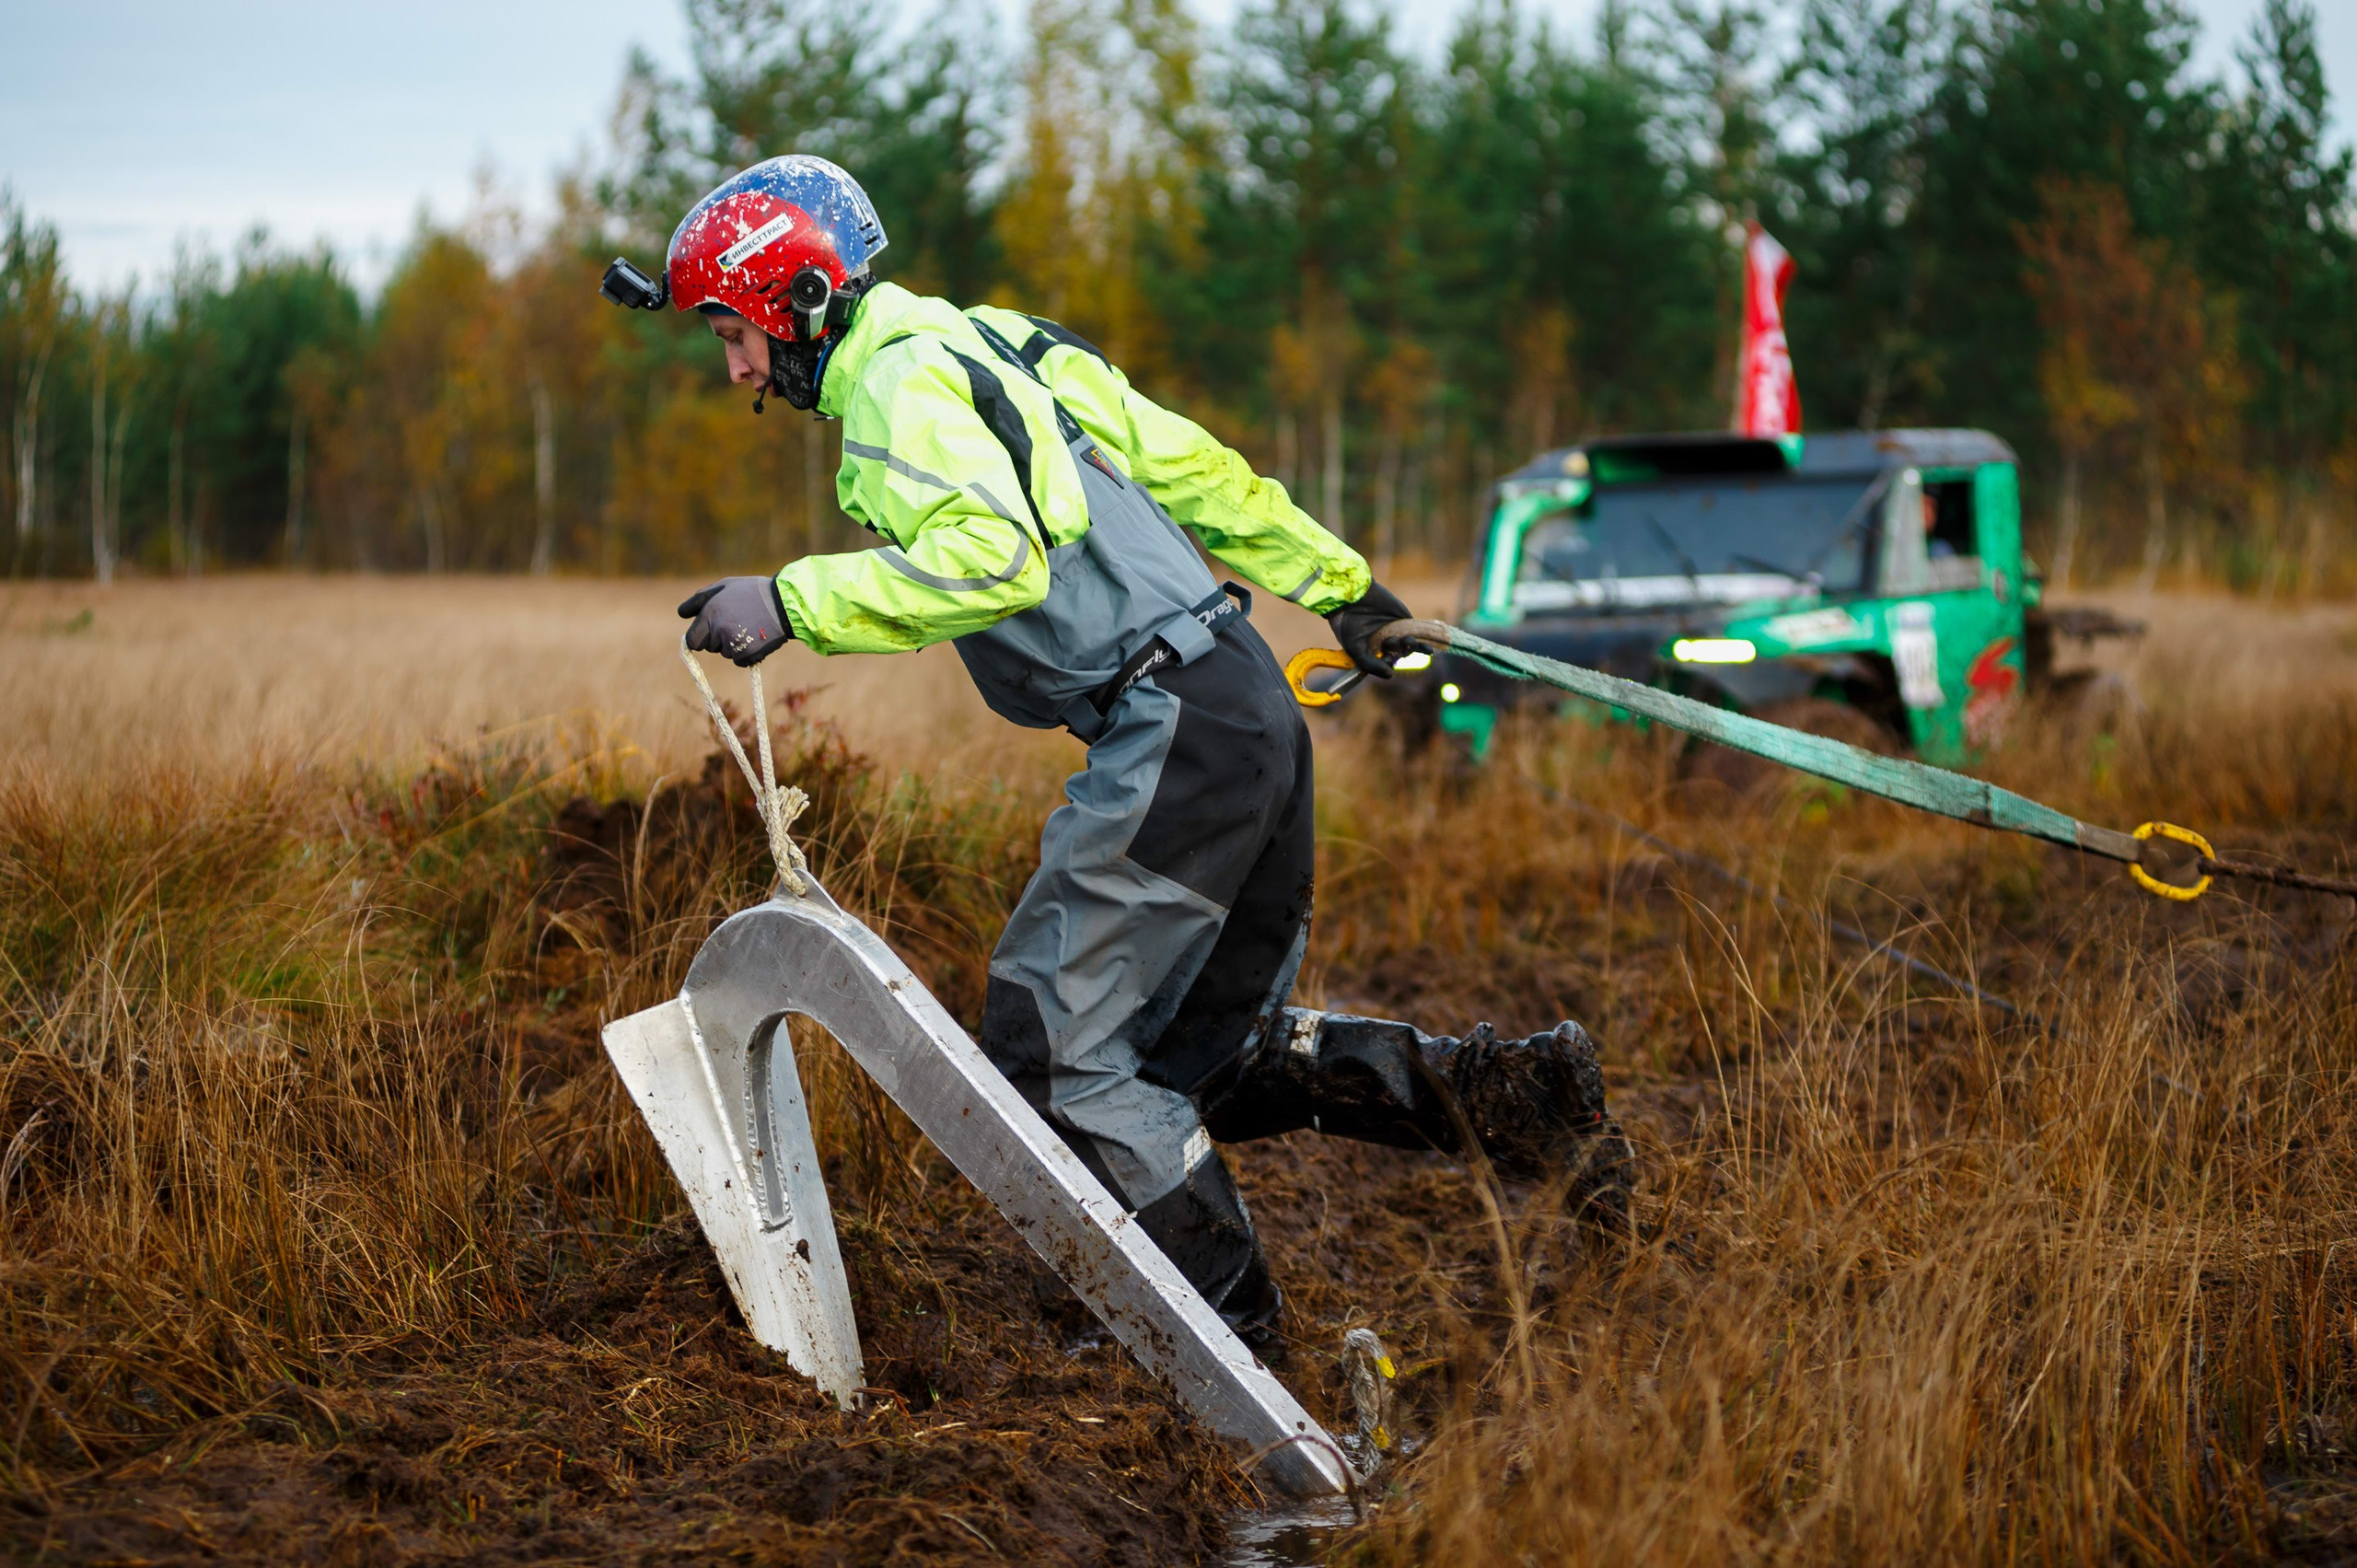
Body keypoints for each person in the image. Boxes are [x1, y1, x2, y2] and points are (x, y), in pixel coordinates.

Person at [627, 155, 1630, 1350]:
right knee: (1196, 1058)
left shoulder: (901, 383)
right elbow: (1188, 464)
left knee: (1052, 1049)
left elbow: (998, 559)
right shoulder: (1000, 343)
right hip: (1241, 704)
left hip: (1174, 726)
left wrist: (793, 602)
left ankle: (1226, 1366)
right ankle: (1514, 1100)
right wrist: (1344, 588)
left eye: (731, 332)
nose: (735, 368)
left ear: (794, 298)